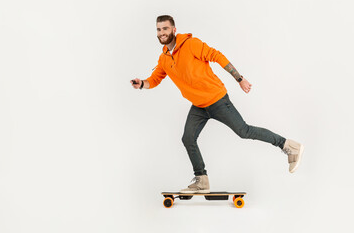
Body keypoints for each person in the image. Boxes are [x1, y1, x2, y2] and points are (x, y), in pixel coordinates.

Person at [130, 15, 304, 193]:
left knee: (244, 131)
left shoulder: (191, 44)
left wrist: (239, 79)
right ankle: (202, 181)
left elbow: (216, 55)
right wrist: (142, 84)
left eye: (165, 29)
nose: (162, 33)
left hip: (217, 99)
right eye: (159, 30)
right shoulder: (164, 58)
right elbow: (155, 79)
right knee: (188, 138)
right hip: (198, 106)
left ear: (174, 30)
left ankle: (288, 145)